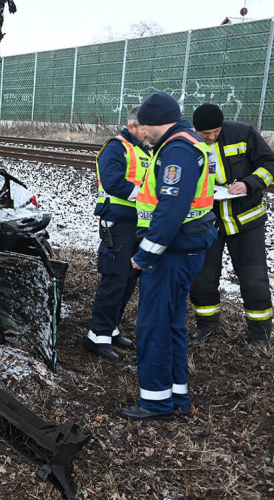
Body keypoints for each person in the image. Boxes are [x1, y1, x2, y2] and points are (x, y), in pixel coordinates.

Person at [122, 92, 217, 420]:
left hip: (170, 253)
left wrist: (146, 253)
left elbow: (172, 207)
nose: (140, 131)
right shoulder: (184, 143)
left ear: (155, 122)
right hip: (183, 249)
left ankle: (156, 402)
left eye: (143, 125)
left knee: (153, 326)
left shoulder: (177, 149)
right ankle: (177, 395)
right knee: (172, 323)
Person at [189, 104, 274, 347]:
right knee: (202, 278)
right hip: (208, 224)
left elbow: (270, 164)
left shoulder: (243, 133)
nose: (211, 137)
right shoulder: (190, 143)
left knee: (254, 278)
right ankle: (206, 326)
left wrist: (250, 183)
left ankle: (260, 334)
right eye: (206, 134)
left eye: (215, 131)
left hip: (247, 221)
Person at [83, 107, 151, 360]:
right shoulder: (116, 147)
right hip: (117, 222)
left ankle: (110, 329)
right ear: (133, 126)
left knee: (129, 278)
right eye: (146, 128)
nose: (149, 133)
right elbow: (113, 182)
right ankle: (97, 336)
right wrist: (148, 195)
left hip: (138, 222)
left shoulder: (147, 150)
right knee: (114, 278)